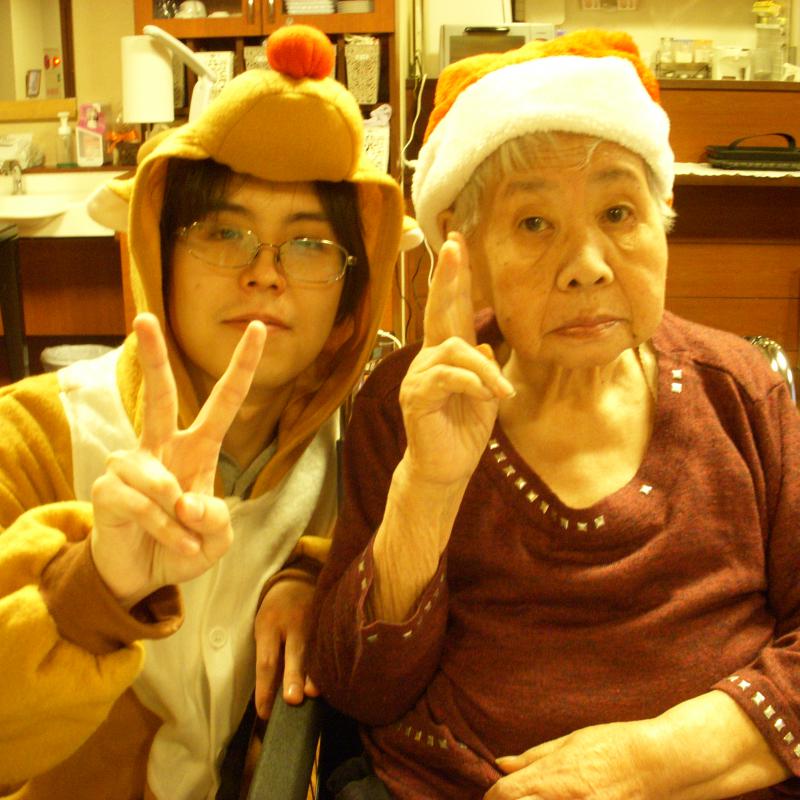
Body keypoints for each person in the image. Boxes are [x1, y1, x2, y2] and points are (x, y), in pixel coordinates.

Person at [309, 29, 800, 800]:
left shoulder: (740, 393)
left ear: (662, 218)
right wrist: (429, 488)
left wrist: (653, 761)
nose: (588, 266)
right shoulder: (410, 405)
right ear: (465, 250)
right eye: (534, 223)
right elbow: (358, 689)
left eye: (619, 212)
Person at [0, 24, 404, 800]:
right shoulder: (32, 440)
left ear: (350, 307)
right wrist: (95, 587)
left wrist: (314, 576)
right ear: (160, 255)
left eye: (309, 245)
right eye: (224, 231)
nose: (265, 274)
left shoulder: (361, 466)